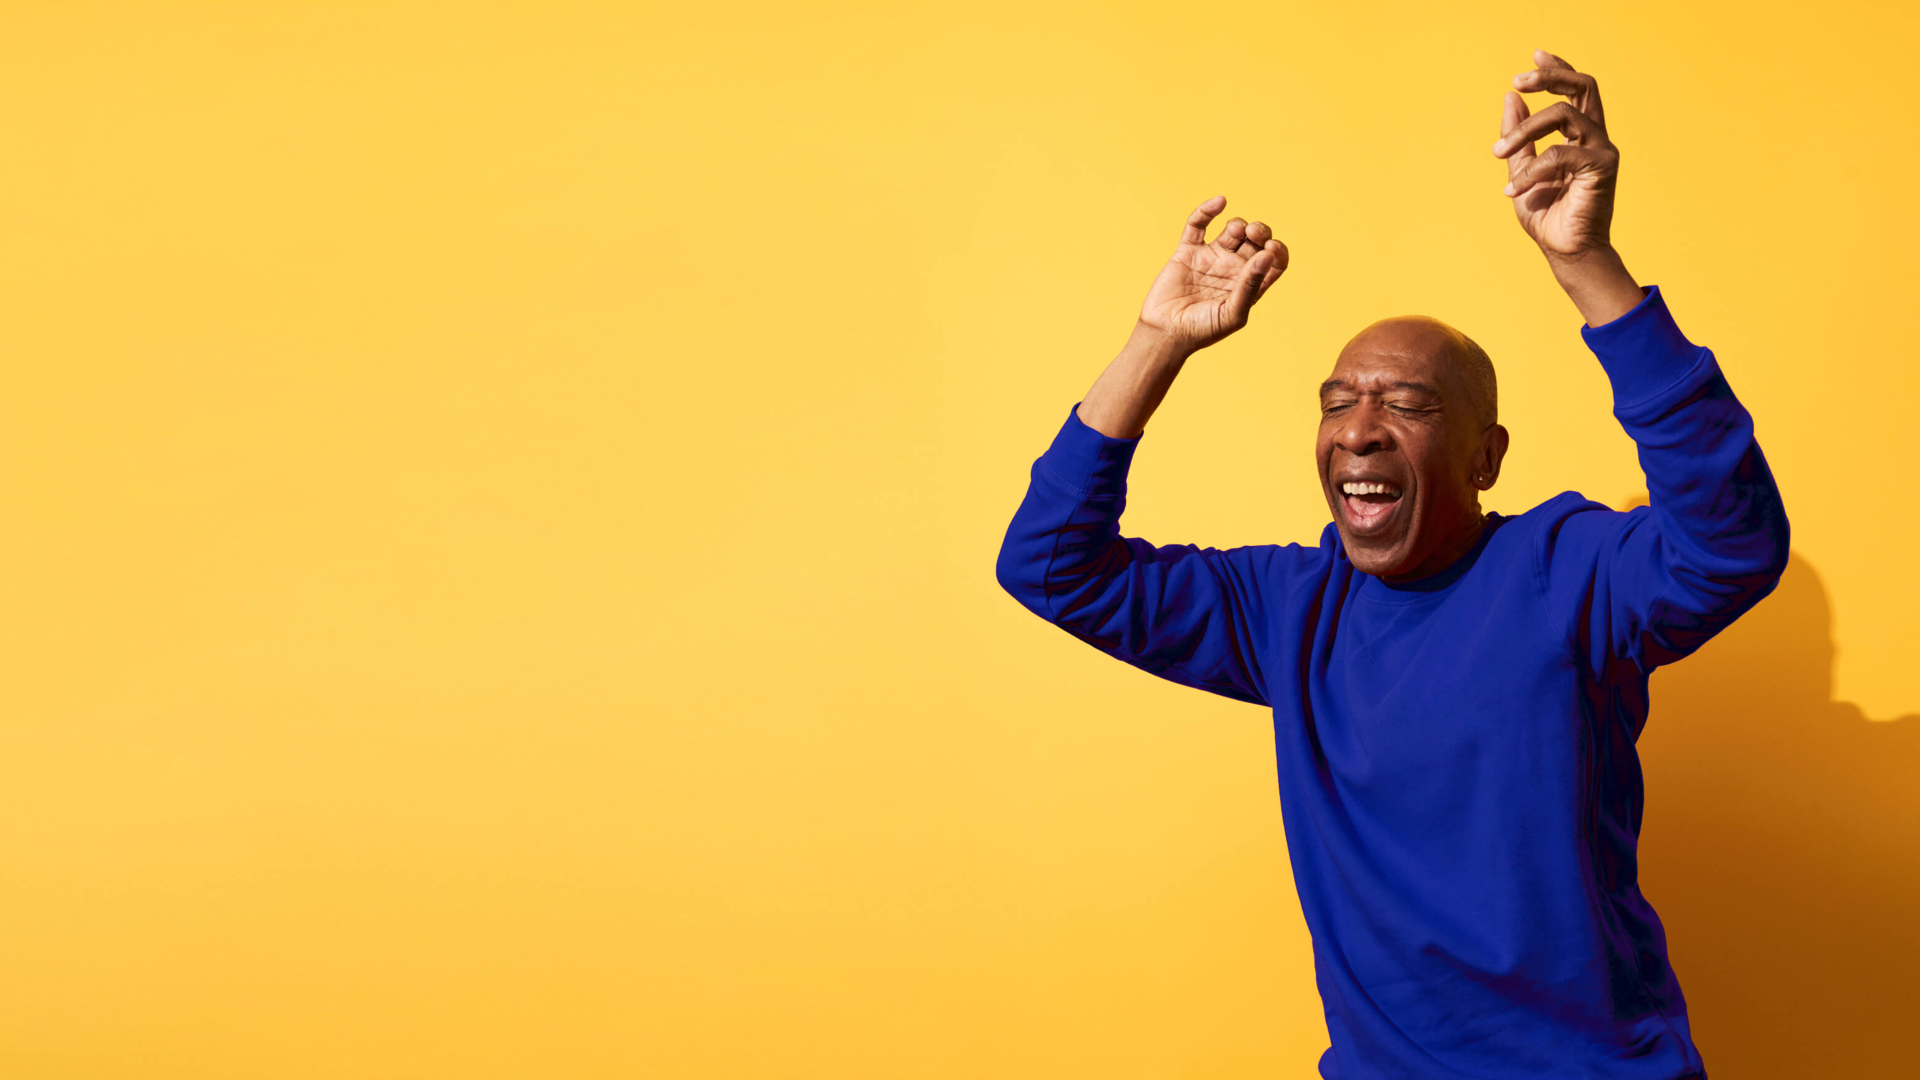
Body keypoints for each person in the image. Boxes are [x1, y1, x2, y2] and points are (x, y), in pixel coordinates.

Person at [994, 50, 1788, 1079]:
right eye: (1337, 403)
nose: (1360, 430)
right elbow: (1051, 565)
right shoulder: (1287, 609)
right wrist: (1158, 341)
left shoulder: (1565, 572)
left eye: (1407, 405)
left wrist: (1588, 264)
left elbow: (1731, 543)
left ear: (1485, 458)